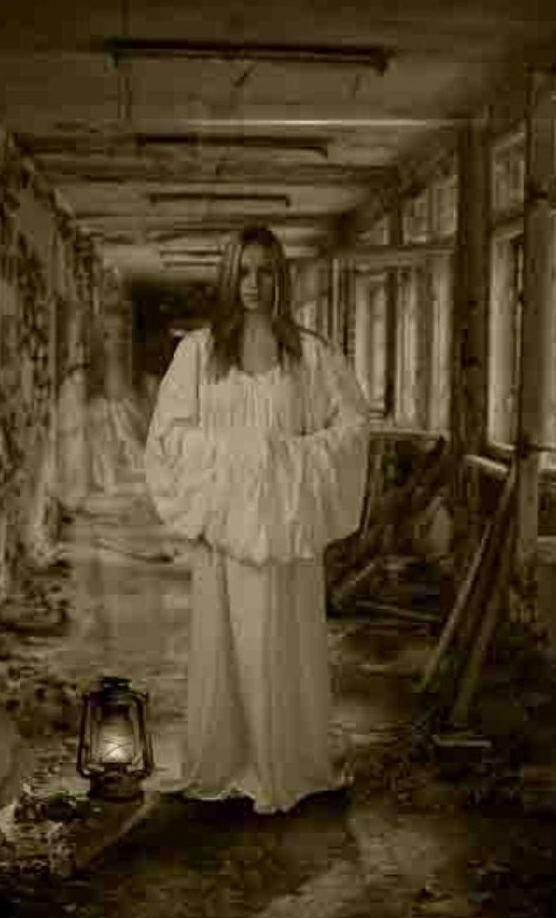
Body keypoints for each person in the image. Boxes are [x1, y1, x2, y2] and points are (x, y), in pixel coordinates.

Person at [143, 224, 370, 814]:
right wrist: (235, 456)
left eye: (266, 271)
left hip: (285, 532)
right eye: (243, 271)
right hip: (226, 533)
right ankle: (224, 760)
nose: (253, 283)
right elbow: (167, 435)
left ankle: (284, 763)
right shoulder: (198, 354)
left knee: (284, 646)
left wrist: (284, 459)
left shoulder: (311, 355)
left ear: (280, 277)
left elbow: (351, 430)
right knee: (224, 647)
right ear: (228, 276)